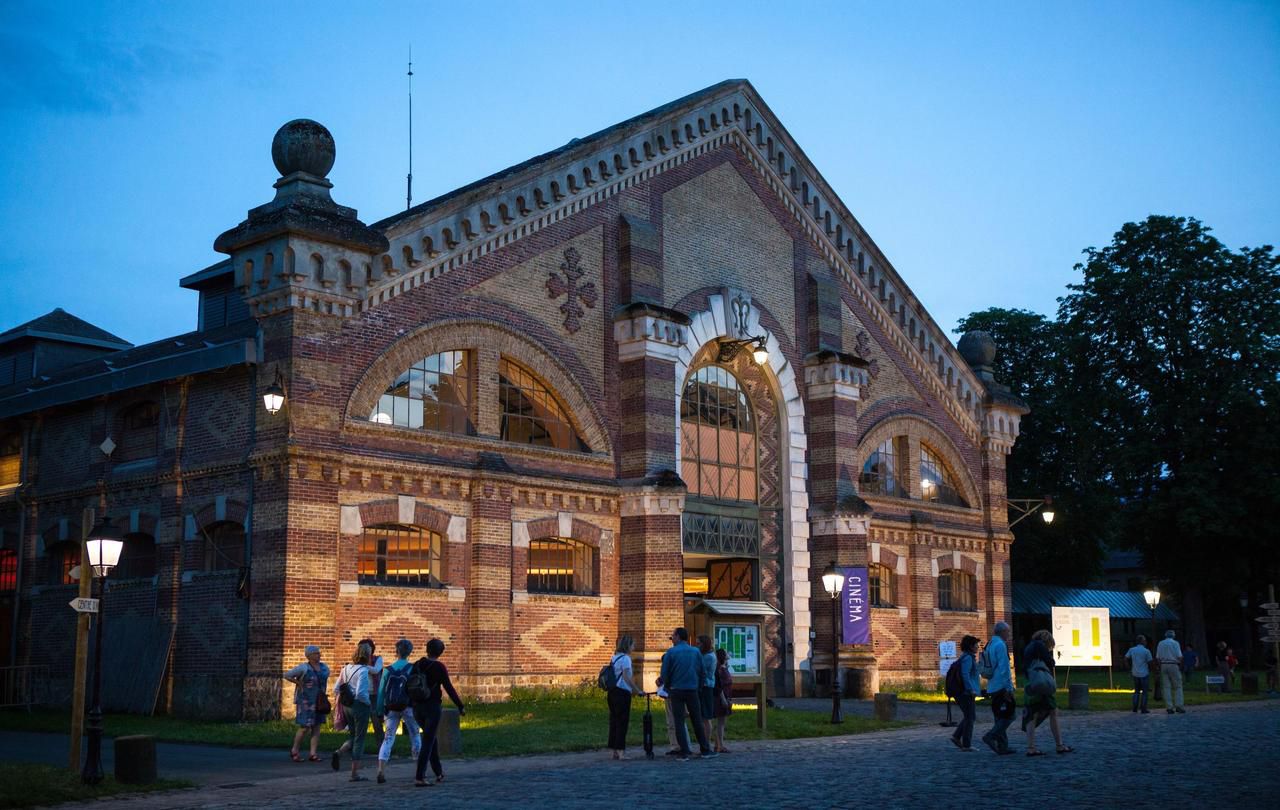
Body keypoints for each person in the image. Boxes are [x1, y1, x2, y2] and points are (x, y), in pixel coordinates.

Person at [410, 638, 466, 787]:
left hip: (417, 707)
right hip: (432, 707)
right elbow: (449, 688)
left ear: (427, 649)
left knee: (431, 738)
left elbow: (408, 685)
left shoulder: (417, 664)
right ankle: (419, 777)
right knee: (428, 741)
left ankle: (438, 772)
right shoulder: (439, 667)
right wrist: (460, 706)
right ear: (440, 652)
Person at [658, 627, 715, 760]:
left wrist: (667, 687)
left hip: (676, 690)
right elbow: (702, 672)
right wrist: (699, 687)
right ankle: (705, 749)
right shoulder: (695, 652)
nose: (672, 639)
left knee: (678, 721)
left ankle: (684, 751)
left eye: (673, 636)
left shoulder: (671, 652)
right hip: (692, 689)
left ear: (678, 636)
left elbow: (665, 673)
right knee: (697, 720)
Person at [375, 638, 422, 784]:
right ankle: (419, 771)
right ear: (410, 652)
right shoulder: (412, 668)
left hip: (391, 708)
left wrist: (379, 710)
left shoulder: (387, 670)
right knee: (415, 736)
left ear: (396, 652)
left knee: (388, 738)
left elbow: (381, 692)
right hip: (408, 707)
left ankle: (381, 770)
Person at [332, 641, 378, 780]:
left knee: (353, 735)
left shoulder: (346, 668)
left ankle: (339, 752)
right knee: (360, 739)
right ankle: (354, 773)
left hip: (347, 705)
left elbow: (336, 688)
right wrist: (368, 704)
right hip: (360, 706)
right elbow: (361, 693)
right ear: (367, 656)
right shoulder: (363, 670)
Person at [1021, 630, 1072, 756]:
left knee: (1031, 715)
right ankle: (1059, 745)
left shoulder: (1029, 647)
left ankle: (1031, 747)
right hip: (1041, 683)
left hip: (1030, 683)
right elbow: (1050, 662)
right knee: (1053, 711)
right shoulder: (1039, 645)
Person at [283, 645, 329, 762]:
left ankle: (313, 753)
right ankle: (294, 750)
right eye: (316, 653)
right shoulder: (304, 668)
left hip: (319, 701)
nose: (319, 655)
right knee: (305, 727)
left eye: (318, 653)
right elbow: (287, 675)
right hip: (305, 701)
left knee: (317, 726)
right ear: (309, 656)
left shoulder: (324, 667)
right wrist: (298, 683)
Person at [979, 621, 1016, 756]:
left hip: (992, 685)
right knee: (1010, 715)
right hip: (1001, 686)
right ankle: (991, 736)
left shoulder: (989, 644)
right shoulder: (1001, 645)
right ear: (1002, 632)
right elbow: (1004, 668)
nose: (1009, 634)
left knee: (999, 716)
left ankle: (1002, 746)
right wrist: (1009, 687)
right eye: (1008, 631)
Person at [607, 634, 645, 759]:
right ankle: (621, 751)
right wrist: (637, 690)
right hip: (622, 692)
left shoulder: (614, 657)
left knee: (614, 721)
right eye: (633, 645)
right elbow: (626, 677)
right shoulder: (626, 659)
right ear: (628, 646)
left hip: (612, 691)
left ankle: (613, 750)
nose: (634, 647)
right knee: (622, 722)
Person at [949, 635, 981, 751]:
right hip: (966, 692)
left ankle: (956, 736)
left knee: (969, 716)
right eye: (976, 645)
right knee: (970, 717)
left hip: (964, 692)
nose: (978, 647)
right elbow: (965, 674)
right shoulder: (967, 658)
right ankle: (966, 744)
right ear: (971, 646)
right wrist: (970, 689)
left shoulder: (967, 657)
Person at [360, 638, 386, 749]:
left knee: (377, 722)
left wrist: (361, 666)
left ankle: (381, 747)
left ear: (372, 648)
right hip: (362, 694)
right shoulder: (358, 660)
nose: (365, 650)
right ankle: (357, 747)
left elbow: (376, 670)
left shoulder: (377, 659)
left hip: (375, 694)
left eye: (367, 647)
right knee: (360, 723)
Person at [1156, 630, 1186, 714]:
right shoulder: (1175, 643)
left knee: (1166, 687)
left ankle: (1169, 707)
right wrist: (1180, 666)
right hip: (1173, 664)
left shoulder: (1160, 643)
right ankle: (1179, 706)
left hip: (1163, 664)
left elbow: (1158, 657)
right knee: (1178, 686)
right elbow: (1179, 656)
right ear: (1173, 636)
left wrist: (1160, 666)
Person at [1124, 635, 1154, 714]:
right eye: (1145, 640)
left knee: (1136, 691)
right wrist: (1153, 670)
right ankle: (1143, 708)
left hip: (1135, 673)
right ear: (1143, 642)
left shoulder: (1132, 649)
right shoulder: (1146, 651)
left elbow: (1126, 658)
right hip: (1144, 673)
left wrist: (1129, 668)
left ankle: (1135, 707)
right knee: (1144, 692)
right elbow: (1150, 662)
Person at [712, 647, 734, 753]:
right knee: (721, 722)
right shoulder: (720, 670)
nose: (728, 654)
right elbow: (719, 686)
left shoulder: (724, 668)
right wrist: (723, 699)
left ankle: (718, 744)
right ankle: (720, 745)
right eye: (726, 653)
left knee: (721, 722)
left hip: (726, 695)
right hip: (722, 697)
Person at [696, 635, 717, 747]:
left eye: (699, 643)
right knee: (703, 717)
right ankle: (705, 743)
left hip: (706, 687)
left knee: (706, 717)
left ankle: (706, 743)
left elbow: (699, 669)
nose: (697, 646)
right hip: (704, 686)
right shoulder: (706, 655)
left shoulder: (708, 657)